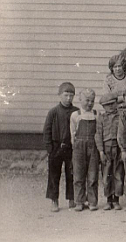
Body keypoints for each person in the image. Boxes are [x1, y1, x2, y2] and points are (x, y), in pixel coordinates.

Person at [43, 82, 78, 212]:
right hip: (56, 148)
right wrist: (49, 148)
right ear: (59, 95)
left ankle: (72, 199)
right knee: (54, 174)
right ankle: (54, 200)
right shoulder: (53, 112)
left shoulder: (76, 112)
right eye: (66, 95)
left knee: (72, 173)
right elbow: (46, 130)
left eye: (71, 95)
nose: (68, 98)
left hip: (71, 148)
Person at [70, 89, 99, 211]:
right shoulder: (75, 115)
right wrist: (76, 147)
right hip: (79, 147)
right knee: (79, 174)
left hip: (93, 146)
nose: (89, 103)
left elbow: (98, 132)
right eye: (87, 100)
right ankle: (79, 201)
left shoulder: (96, 114)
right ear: (80, 100)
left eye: (92, 101)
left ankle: (92, 201)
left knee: (92, 175)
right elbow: (72, 133)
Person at [95, 92, 124, 211]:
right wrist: (101, 151)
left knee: (118, 174)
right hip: (106, 148)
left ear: (117, 103)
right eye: (107, 105)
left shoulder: (121, 116)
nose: (110, 107)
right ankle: (108, 199)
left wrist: (122, 149)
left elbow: (123, 133)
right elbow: (98, 135)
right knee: (107, 175)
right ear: (103, 107)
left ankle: (116, 199)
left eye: (112, 104)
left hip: (117, 147)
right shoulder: (101, 118)